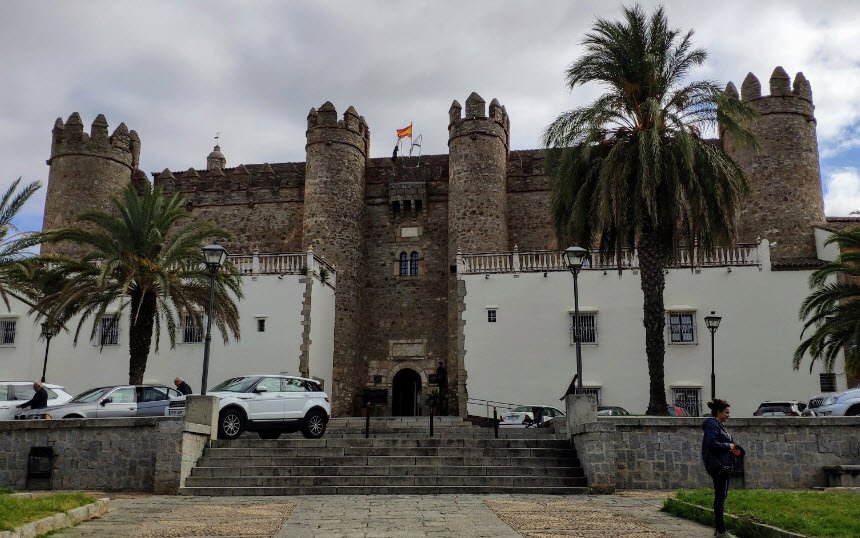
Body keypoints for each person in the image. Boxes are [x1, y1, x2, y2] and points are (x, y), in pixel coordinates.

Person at [701, 398, 737, 538]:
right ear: (719, 412)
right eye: (726, 412)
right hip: (718, 467)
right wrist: (728, 446)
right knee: (720, 497)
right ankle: (721, 531)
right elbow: (710, 443)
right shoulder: (712, 424)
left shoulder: (718, 425)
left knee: (721, 496)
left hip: (723, 466)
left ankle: (719, 529)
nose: (728, 415)